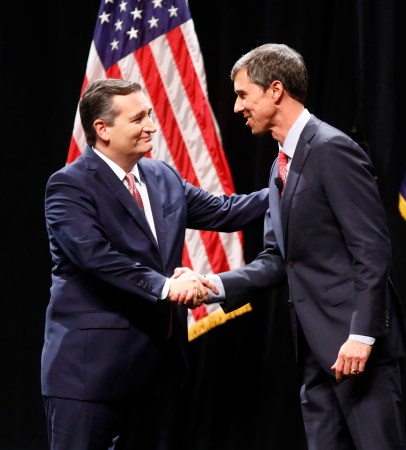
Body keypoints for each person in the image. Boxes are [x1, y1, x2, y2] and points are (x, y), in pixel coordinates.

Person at [189, 43, 406, 450]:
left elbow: (372, 249)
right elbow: (279, 260)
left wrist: (362, 335)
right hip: (313, 351)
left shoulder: (332, 149)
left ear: (275, 90)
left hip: (357, 348)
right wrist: (214, 285)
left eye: (243, 94)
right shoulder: (279, 166)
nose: (238, 107)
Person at [41, 78, 268, 450]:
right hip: (89, 376)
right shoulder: (69, 186)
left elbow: (227, 212)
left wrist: (286, 182)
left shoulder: (162, 176)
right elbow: (95, 256)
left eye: (149, 114)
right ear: (103, 129)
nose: (151, 125)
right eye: (138, 119)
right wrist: (165, 286)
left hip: (157, 372)